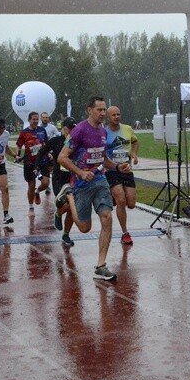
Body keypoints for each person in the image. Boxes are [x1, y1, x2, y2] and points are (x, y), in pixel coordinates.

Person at [59, 96, 117, 281]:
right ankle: (69, 195)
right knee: (84, 228)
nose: (103, 113)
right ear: (89, 110)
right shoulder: (79, 131)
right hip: (81, 184)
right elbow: (62, 158)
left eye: (104, 109)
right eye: (99, 110)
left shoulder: (103, 131)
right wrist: (81, 173)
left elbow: (103, 159)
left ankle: (101, 266)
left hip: (100, 180)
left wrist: (117, 166)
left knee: (107, 217)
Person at [104, 105, 140, 245]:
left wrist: (134, 154)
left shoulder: (127, 129)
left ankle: (112, 197)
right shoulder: (104, 132)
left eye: (118, 114)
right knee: (121, 200)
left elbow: (135, 142)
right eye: (113, 115)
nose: (117, 117)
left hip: (126, 169)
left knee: (131, 204)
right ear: (108, 117)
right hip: (112, 171)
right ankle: (125, 233)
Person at [44, 117, 78, 243]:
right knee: (66, 205)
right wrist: (41, 166)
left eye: (74, 128)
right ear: (64, 129)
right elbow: (42, 152)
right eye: (70, 128)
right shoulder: (56, 141)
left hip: (73, 177)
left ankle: (66, 234)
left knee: (72, 207)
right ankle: (58, 213)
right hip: (59, 178)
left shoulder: (78, 141)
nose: (72, 131)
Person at [14, 111, 49, 211]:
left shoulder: (42, 130)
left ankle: (37, 192)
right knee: (31, 185)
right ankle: (31, 206)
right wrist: (17, 155)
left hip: (42, 161)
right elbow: (18, 145)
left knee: (46, 183)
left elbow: (46, 144)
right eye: (34, 119)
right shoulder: (24, 132)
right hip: (30, 162)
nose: (35, 121)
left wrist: (49, 153)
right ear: (29, 120)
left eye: (37, 119)